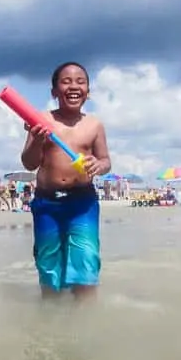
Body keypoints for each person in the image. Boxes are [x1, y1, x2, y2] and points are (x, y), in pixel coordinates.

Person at [20, 61, 111, 301]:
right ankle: (51, 319)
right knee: (49, 266)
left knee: (86, 263)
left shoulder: (94, 125)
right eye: (66, 81)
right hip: (47, 203)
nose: (73, 86)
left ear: (88, 92)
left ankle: (85, 324)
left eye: (80, 82)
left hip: (83, 203)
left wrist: (98, 165)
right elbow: (29, 163)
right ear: (54, 91)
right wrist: (37, 140)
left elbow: (105, 161)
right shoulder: (40, 120)